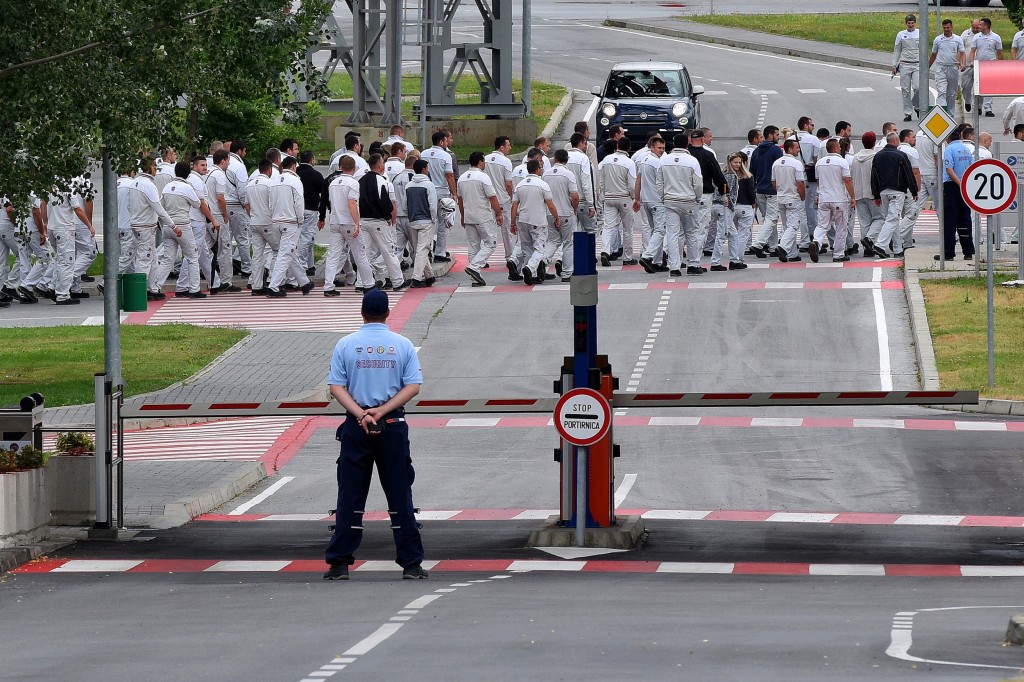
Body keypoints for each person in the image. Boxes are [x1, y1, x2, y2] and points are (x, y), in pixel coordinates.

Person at [323, 288, 427, 581]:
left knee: (350, 495)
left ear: (362, 313)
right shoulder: (402, 345)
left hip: (356, 427)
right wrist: (382, 412)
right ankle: (411, 564)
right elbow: (413, 386)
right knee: (399, 494)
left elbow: (336, 387)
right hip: (392, 425)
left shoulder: (346, 344)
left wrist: (361, 414)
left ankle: (339, 563)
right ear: (388, 314)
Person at [150, 162, 206, 298]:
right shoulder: (187, 187)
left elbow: (161, 206)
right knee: (192, 256)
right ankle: (194, 289)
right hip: (183, 226)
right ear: (188, 174)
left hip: (168, 226)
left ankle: (154, 287)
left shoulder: (167, 187)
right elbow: (197, 204)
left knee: (168, 259)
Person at [266, 157, 314, 297]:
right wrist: (300, 220)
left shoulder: (274, 181)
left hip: (276, 221)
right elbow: (299, 203)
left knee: (290, 252)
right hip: (291, 222)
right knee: (285, 254)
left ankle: (304, 283)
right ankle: (273, 286)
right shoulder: (295, 181)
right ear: (293, 166)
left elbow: (270, 203)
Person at [657, 133, 703, 276]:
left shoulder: (664, 160)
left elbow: (659, 182)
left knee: (672, 234)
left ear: (673, 143)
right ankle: (693, 264)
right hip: (689, 200)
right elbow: (698, 183)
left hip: (670, 200)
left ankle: (674, 267)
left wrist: (663, 197)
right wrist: (697, 198)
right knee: (691, 233)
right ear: (687, 144)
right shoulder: (692, 161)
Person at [511, 158, 559, 285]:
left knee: (526, 248)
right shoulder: (542, 184)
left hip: (523, 220)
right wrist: (556, 218)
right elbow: (550, 205)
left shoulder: (520, 185)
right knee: (539, 249)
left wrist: (512, 223)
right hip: (538, 221)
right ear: (538, 169)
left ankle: (530, 275)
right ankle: (530, 268)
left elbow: (514, 206)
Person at [457, 151, 503, 287]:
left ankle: (475, 278)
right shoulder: (483, 177)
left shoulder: (462, 178)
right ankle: (474, 267)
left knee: (473, 246)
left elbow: (460, 199)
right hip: (483, 216)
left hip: (469, 216)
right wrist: (499, 213)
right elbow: (492, 197)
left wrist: (462, 215)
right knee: (491, 243)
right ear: (480, 162)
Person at [870, 132, 917, 258]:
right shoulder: (901, 155)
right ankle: (880, 245)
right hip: (897, 191)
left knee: (892, 219)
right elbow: (908, 174)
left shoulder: (877, 156)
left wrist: (876, 195)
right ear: (895, 141)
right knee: (892, 219)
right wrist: (914, 191)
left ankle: (897, 248)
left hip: (883, 192)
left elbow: (874, 176)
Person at [810, 138, 855, 263]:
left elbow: (818, 181)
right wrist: (853, 197)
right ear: (835, 148)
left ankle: (816, 242)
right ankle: (838, 253)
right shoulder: (842, 162)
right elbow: (847, 180)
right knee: (841, 226)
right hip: (838, 198)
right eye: (839, 147)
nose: (840, 149)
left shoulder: (819, 163)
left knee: (822, 224)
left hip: (823, 198)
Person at [598, 137, 638, 267]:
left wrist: (603, 194)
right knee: (627, 228)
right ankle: (627, 257)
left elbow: (601, 181)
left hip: (609, 197)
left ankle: (605, 251)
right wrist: (634, 198)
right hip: (624, 197)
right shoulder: (629, 162)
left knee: (608, 226)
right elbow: (632, 185)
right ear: (629, 148)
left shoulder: (606, 160)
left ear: (617, 147)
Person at [542, 149, 580, 282]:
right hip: (565, 212)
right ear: (566, 160)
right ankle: (567, 272)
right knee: (568, 243)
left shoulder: (545, 174)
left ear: (555, 159)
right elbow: (575, 196)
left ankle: (543, 259)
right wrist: (574, 209)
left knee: (552, 240)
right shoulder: (569, 174)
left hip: (550, 212)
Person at [939, 125, 976, 261]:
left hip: (953, 186)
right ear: (960, 136)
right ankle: (968, 251)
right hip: (965, 187)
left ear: (948, 138)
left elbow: (949, 169)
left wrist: (959, 184)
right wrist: (965, 186)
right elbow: (972, 168)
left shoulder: (949, 149)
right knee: (965, 219)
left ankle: (948, 253)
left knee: (950, 221)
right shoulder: (966, 150)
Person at [714, 152, 754, 271]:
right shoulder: (731, 176)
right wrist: (729, 203)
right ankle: (715, 262)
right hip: (725, 207)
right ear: (729, 162)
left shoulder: (724, 174)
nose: (737, 164)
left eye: (739, 162)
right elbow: (728, 193)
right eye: (735, 162)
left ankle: (734, 260)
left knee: (733, 234)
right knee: (722, 234)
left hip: (724, 206)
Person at [420, 131, 457, 263]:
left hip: (425, 190)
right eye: (446, 141)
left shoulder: (423, 154)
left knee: (428, 222)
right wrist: (454, 193)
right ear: (441, 142)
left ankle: (427, 249)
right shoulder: (445, 156)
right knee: (443, 223)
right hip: (441, 192)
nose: (447, 143)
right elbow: (449, 175)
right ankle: (440, 252)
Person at [749, 125, 783, 258]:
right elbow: (779, 169)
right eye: (776, 134)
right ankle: (758, 244)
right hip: (772, 189)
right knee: (772, 218)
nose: (778, 137)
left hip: (759, 189)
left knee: (768, 219)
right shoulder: (776, 150)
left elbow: (751, 172)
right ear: (770, 135)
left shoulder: (756, 150)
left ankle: (773, 247)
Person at [404, 159, 438, 288]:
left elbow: (405, 205)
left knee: (419, 249)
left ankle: (429, 276)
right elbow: (433, 205)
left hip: (413, 220)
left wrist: (410, 216)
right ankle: (416, 277)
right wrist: (433, 219)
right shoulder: (429, 185)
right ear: (424, 169)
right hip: (426, 220)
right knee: (423, 249)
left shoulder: (409, 185)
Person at [771, 138, 807, 262]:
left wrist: (781, 190)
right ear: (790, 149)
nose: (798, 150)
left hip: (780, 197)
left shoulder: (776, 163)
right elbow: (800, 183)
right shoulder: (796, 163)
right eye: (797, 148)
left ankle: (792, 254)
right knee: (793, 225)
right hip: (793, 197)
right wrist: (802, 196)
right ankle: (783, 247)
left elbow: (773, 182)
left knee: (787, 226)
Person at [484, 136, 517, 267]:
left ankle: (484, 258)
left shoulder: (485, 159)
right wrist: (513, 197)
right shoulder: (506, 161)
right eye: (508, 145)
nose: (510, 147)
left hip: (488, 199)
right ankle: (510, 257)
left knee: (488, 229)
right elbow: (508, 184)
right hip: (503, 199)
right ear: (501, 147)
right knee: (507, 229)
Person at [850, 132, 883, 256]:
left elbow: (851, 175)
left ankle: (867, 250)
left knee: (864, 222)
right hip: (873, 193)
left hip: (858, 193)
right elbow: (879, 176)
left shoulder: (855, 157)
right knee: (880, 218)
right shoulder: (876, 157)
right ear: (874, 142)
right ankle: (869, 239)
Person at [246, 159, 276, 295]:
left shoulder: (250, 184)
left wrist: (252, 215)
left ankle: (256, 286)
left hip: (254, 221)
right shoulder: (270, 184)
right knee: (277, 250)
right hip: (267, 222)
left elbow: (247, 205)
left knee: (257, 255)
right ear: (269, 170)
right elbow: (273, 204)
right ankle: (273, 281)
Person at [296, 150, 325, 277]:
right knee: (307, 238)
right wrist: (323, 214)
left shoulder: (295, 173)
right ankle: (301, 265)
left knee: (301, 237)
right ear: (311, 160)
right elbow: (324, 193)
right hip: (310, 209)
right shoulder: (315, 175)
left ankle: (310, 265)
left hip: (295, 209)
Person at [930, 19, 966, 113]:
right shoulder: (938, 39)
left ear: (951, 27)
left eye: (948, 27)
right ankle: (942, 112)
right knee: (941, 91)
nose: (946, 29)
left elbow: (962, 53)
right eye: (944, 27)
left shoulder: (957, 39)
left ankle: (950, 114)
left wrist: (963, 64)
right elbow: (933, 54)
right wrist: (928, 66)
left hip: (953, 67)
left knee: (951, 93)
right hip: (941, 67)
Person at [970, 18, 1003, 117]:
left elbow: (999, 52)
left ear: (986, 26)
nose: (978, 27)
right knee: (978, 87)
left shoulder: (996, 37)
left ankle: (988, 108)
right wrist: (972, 61)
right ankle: (978, 107)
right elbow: (972, 51)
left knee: (989, 87)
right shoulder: (976, 37)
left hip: (991, 66)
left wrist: (1000, 64)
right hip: (979, 65)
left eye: (980, 25)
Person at [893, 15, 921, 122]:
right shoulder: (901, 35)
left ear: (915, 23)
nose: (911, 25)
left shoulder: (919, 33)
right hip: (905, 64)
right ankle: (908, 113)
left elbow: (923, 50)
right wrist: (894, 65)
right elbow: (897, 51)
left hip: (917, 64)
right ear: (906, 24)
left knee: (917, 88)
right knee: (905, 90)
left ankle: (917, 107)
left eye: (912, 23)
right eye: (909, 23)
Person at [961, 20, 982, 112]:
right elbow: (960, 48)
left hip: (980, 65)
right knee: (966, 86)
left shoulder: (983, 34)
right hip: (968, 65)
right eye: (974, 28)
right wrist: (961, 62)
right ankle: (968, 101)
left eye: (977, 28)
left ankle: (979, 106)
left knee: (980, 88)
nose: (976, 29)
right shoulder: (965, 34)